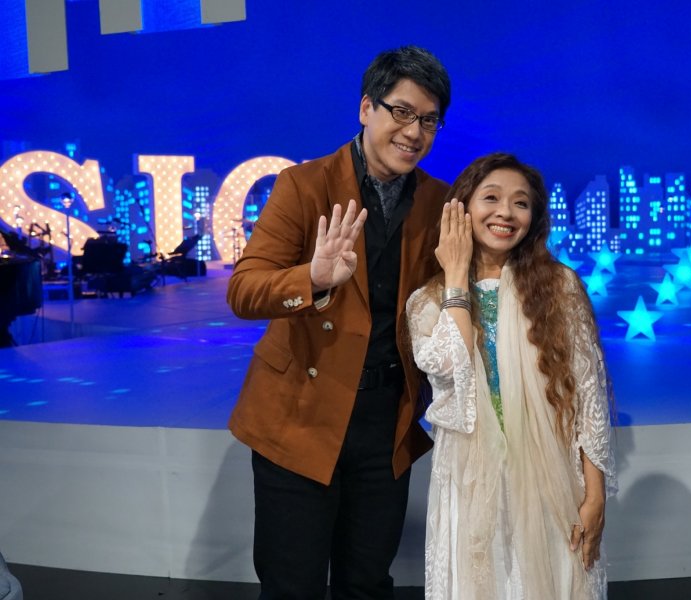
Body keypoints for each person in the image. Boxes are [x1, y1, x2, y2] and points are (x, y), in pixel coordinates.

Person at [226, 46, 451, 600]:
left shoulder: (439, 202)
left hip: (386, 421)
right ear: (366, 108)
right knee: (292, 586)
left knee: (367, 583)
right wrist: (314, 278)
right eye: (402, 112)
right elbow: (244, 290)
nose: (414, 132)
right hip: (299, 416)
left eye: (428, 120)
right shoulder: (303, 185)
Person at [406, 153, 616, 599]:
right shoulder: (427, 301)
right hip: (470, 482)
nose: (505, 212)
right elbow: (450, 366)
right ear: (462, 208)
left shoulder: (560, 288)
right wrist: (457, 277)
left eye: (521, 203)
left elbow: (589, 398)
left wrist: (595, 494)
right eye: (491, 198)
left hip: (550, 481)